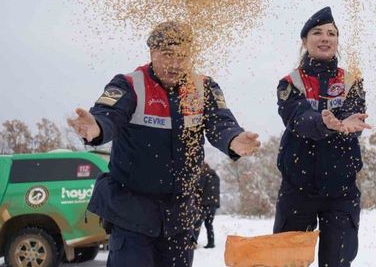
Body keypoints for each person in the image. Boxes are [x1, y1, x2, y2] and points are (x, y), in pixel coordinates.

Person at [67, 21, 260, 267]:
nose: (175, 64)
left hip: (180, 216)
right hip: (132, 213)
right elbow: (108, 116)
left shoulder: (204, 88)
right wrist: (96, 128)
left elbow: (221, 124)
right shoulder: (129, 85)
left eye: (182, 56)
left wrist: (234, 140)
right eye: (167, 55)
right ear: (152, 53)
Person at [273, 7, 372, 267]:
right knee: (289, 262)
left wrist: (346, 124)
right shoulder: (290, 82)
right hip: (298, 188)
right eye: (317, 33)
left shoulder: (352, 81)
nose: (325, 38)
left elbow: (355, 117)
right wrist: (325, 122)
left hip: (341, 190)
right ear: (305, 41)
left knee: (338, 261)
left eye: (331, 33)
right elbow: (296, 118)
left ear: (338, 41)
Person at [194, 162, 220, 248]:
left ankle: (193, 243)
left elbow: (199, 188)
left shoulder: (204, 176)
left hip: (205, 204)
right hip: (214, 204)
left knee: (198, 223)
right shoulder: (216, 177)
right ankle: (211, 242)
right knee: (209, 224)